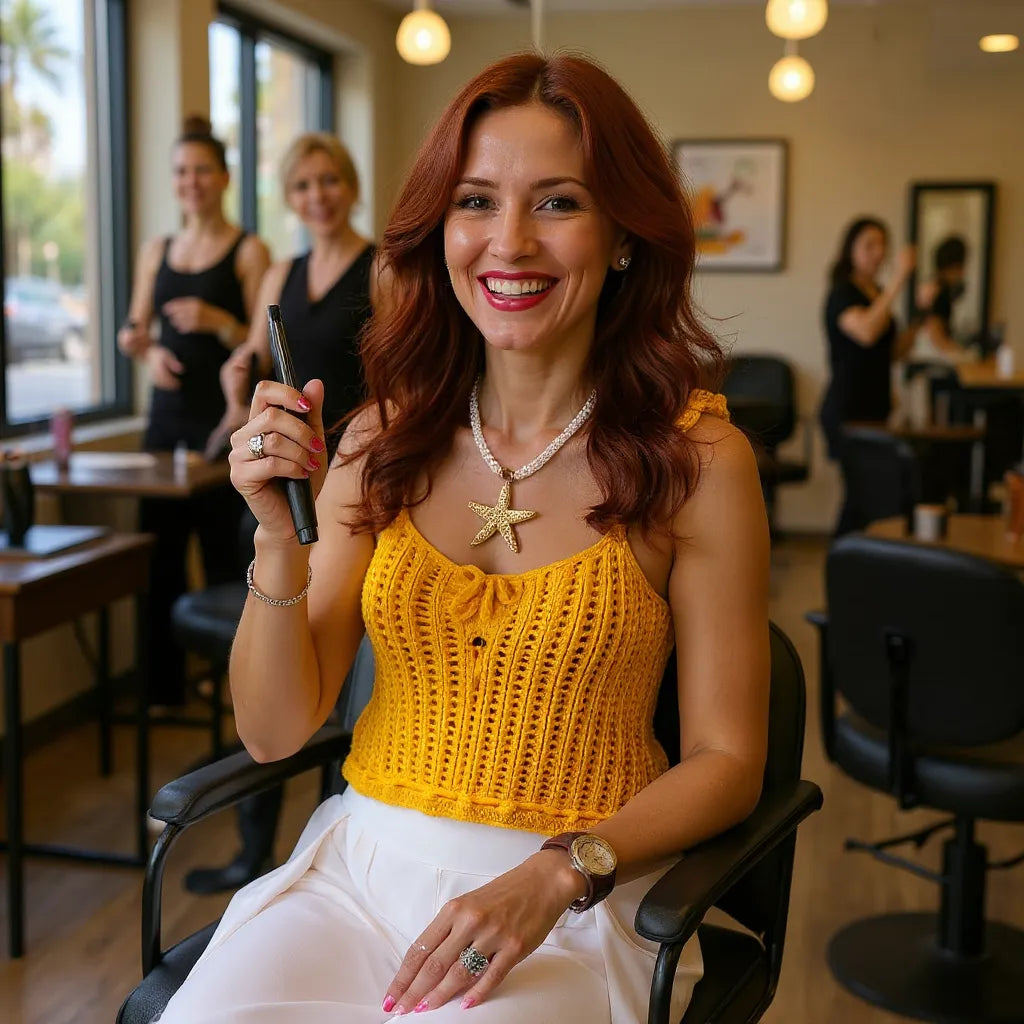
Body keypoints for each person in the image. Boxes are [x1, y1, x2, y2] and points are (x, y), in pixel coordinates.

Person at [157, 53, 769, 1023]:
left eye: (558, 202)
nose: (509, 243)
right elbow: (276, 728)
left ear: (621, 235)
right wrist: (279, 538)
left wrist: (564, 868)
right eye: (476, 201)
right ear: (439, 228)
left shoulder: (699, 459)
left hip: (571, 900)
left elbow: (729, 760)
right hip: (357, 873)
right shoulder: (378, 438)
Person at [185, 131, 379, 895]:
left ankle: (344, 826)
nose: (317, 196)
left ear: (350, 186)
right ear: (291, 196)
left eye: (329, 181)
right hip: (284, 487)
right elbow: (265, 360)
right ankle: (253, 845)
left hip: (359, 492)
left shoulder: (382, 268)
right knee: (274, 657)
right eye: (303, 186)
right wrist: (242, 372)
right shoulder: (280, 269)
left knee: (344, 673)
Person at [118, 116, 270, 707]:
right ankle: (164, 691)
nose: (192, 181)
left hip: (223, 425)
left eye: (203, 169)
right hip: (165, 424)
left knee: (223, 554)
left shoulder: (249, 250)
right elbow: (133, 329)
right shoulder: (156, 250)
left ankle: (238, 692)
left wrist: (219, 323)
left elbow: (262, 342)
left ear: (225, 177)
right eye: (182, 171)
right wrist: (147, 350)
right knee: (159, 560)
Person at [819, 217, 919, 535]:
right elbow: (866, 332)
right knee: (861, 496)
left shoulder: (876, 293)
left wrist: (921, 318)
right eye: (869, 245)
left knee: (871, 495)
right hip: (848, 411)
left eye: (882, 245)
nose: (879, 253)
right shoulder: (842, 293)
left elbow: (892, 352)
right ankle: (845, 562)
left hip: (874, 410)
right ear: (850, 250)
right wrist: (900, 279)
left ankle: (857, 563)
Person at [916, 234, 968, 355]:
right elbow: (935, 332)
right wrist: (961, 355)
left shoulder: (931, 285)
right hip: (933, 358)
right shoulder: (940, 292)